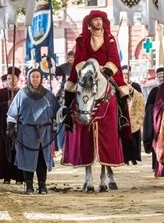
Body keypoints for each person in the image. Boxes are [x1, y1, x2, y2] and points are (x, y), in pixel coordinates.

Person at [62, 10, 127, 167]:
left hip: (106, 71)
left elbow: (114, 58)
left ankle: (122, 118)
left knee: (122, 91)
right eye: (96, 20)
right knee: (71, 87)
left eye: (101, 20)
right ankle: (67, 115)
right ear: (89, 23)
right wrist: (86, 70)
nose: (99, 22)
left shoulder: (110, 38)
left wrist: (107, 70)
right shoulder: (81, 39)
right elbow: (79, 58)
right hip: (86, 72)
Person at [7, 68, 63, 194]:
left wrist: (64, 110)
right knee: (28, 159)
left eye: (38, 76)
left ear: (41, 78)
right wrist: (10, 126)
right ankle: (29, 186)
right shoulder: (21, 94)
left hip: (44, 133)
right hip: (26, 132)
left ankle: (42, 185)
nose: (36, 79)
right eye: (33, 77)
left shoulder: (48, 95)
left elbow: (57, 112)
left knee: (42, 160)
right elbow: (12, 113)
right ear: (29, 78)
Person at [0, 67, 24, 184]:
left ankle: (19, 177)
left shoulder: (22, 93)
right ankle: (6, 177)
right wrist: (6, 104)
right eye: (9, 78)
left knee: (18, 153)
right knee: (5, 153)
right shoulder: (1, 93)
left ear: (18, 79)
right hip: (4, 129)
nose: (11, 81)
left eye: (14, 78)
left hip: (19, 129)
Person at [142, 67, 164, 168]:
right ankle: (155, 166)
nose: (161, 78)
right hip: (156, 122)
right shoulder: (154, 91)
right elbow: (148, 107)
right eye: (159, 76)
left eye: (163, 76)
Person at [121, 65, 144, 165]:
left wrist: (132, 90)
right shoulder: (119, 85)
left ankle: (134, 157)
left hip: (134, 115)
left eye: (127, 74)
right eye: (124, 74)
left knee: (134, 138)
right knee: (124, 138)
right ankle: (125, 158)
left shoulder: (136, 85)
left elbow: (140, 98)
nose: (126, 75)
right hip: (123, 114)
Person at [54, 51, 74, 152]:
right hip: (64, 93)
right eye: (69, 57)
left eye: (72, 57)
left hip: (77, 93)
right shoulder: (63, 67)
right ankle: (61, 146)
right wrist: (50, 64)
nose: (71, 58)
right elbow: (55, 71)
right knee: (61, 118)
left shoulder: (80, 66)